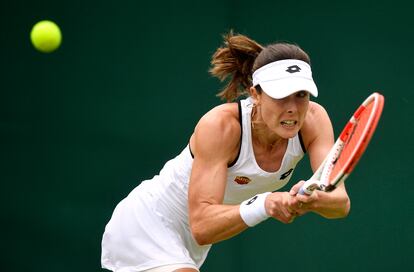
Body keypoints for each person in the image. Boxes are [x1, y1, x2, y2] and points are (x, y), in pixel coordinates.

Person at [101, 32, 350, 272]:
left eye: (301, 95)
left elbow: (340, 204)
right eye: (280, 96)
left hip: (195, 244)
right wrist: (265, 203)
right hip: (148, 222)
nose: (293, 108)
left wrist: (310, 200)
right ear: (256, 95)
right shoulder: (220, 126)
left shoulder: (314, 120)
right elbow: (202, 224)